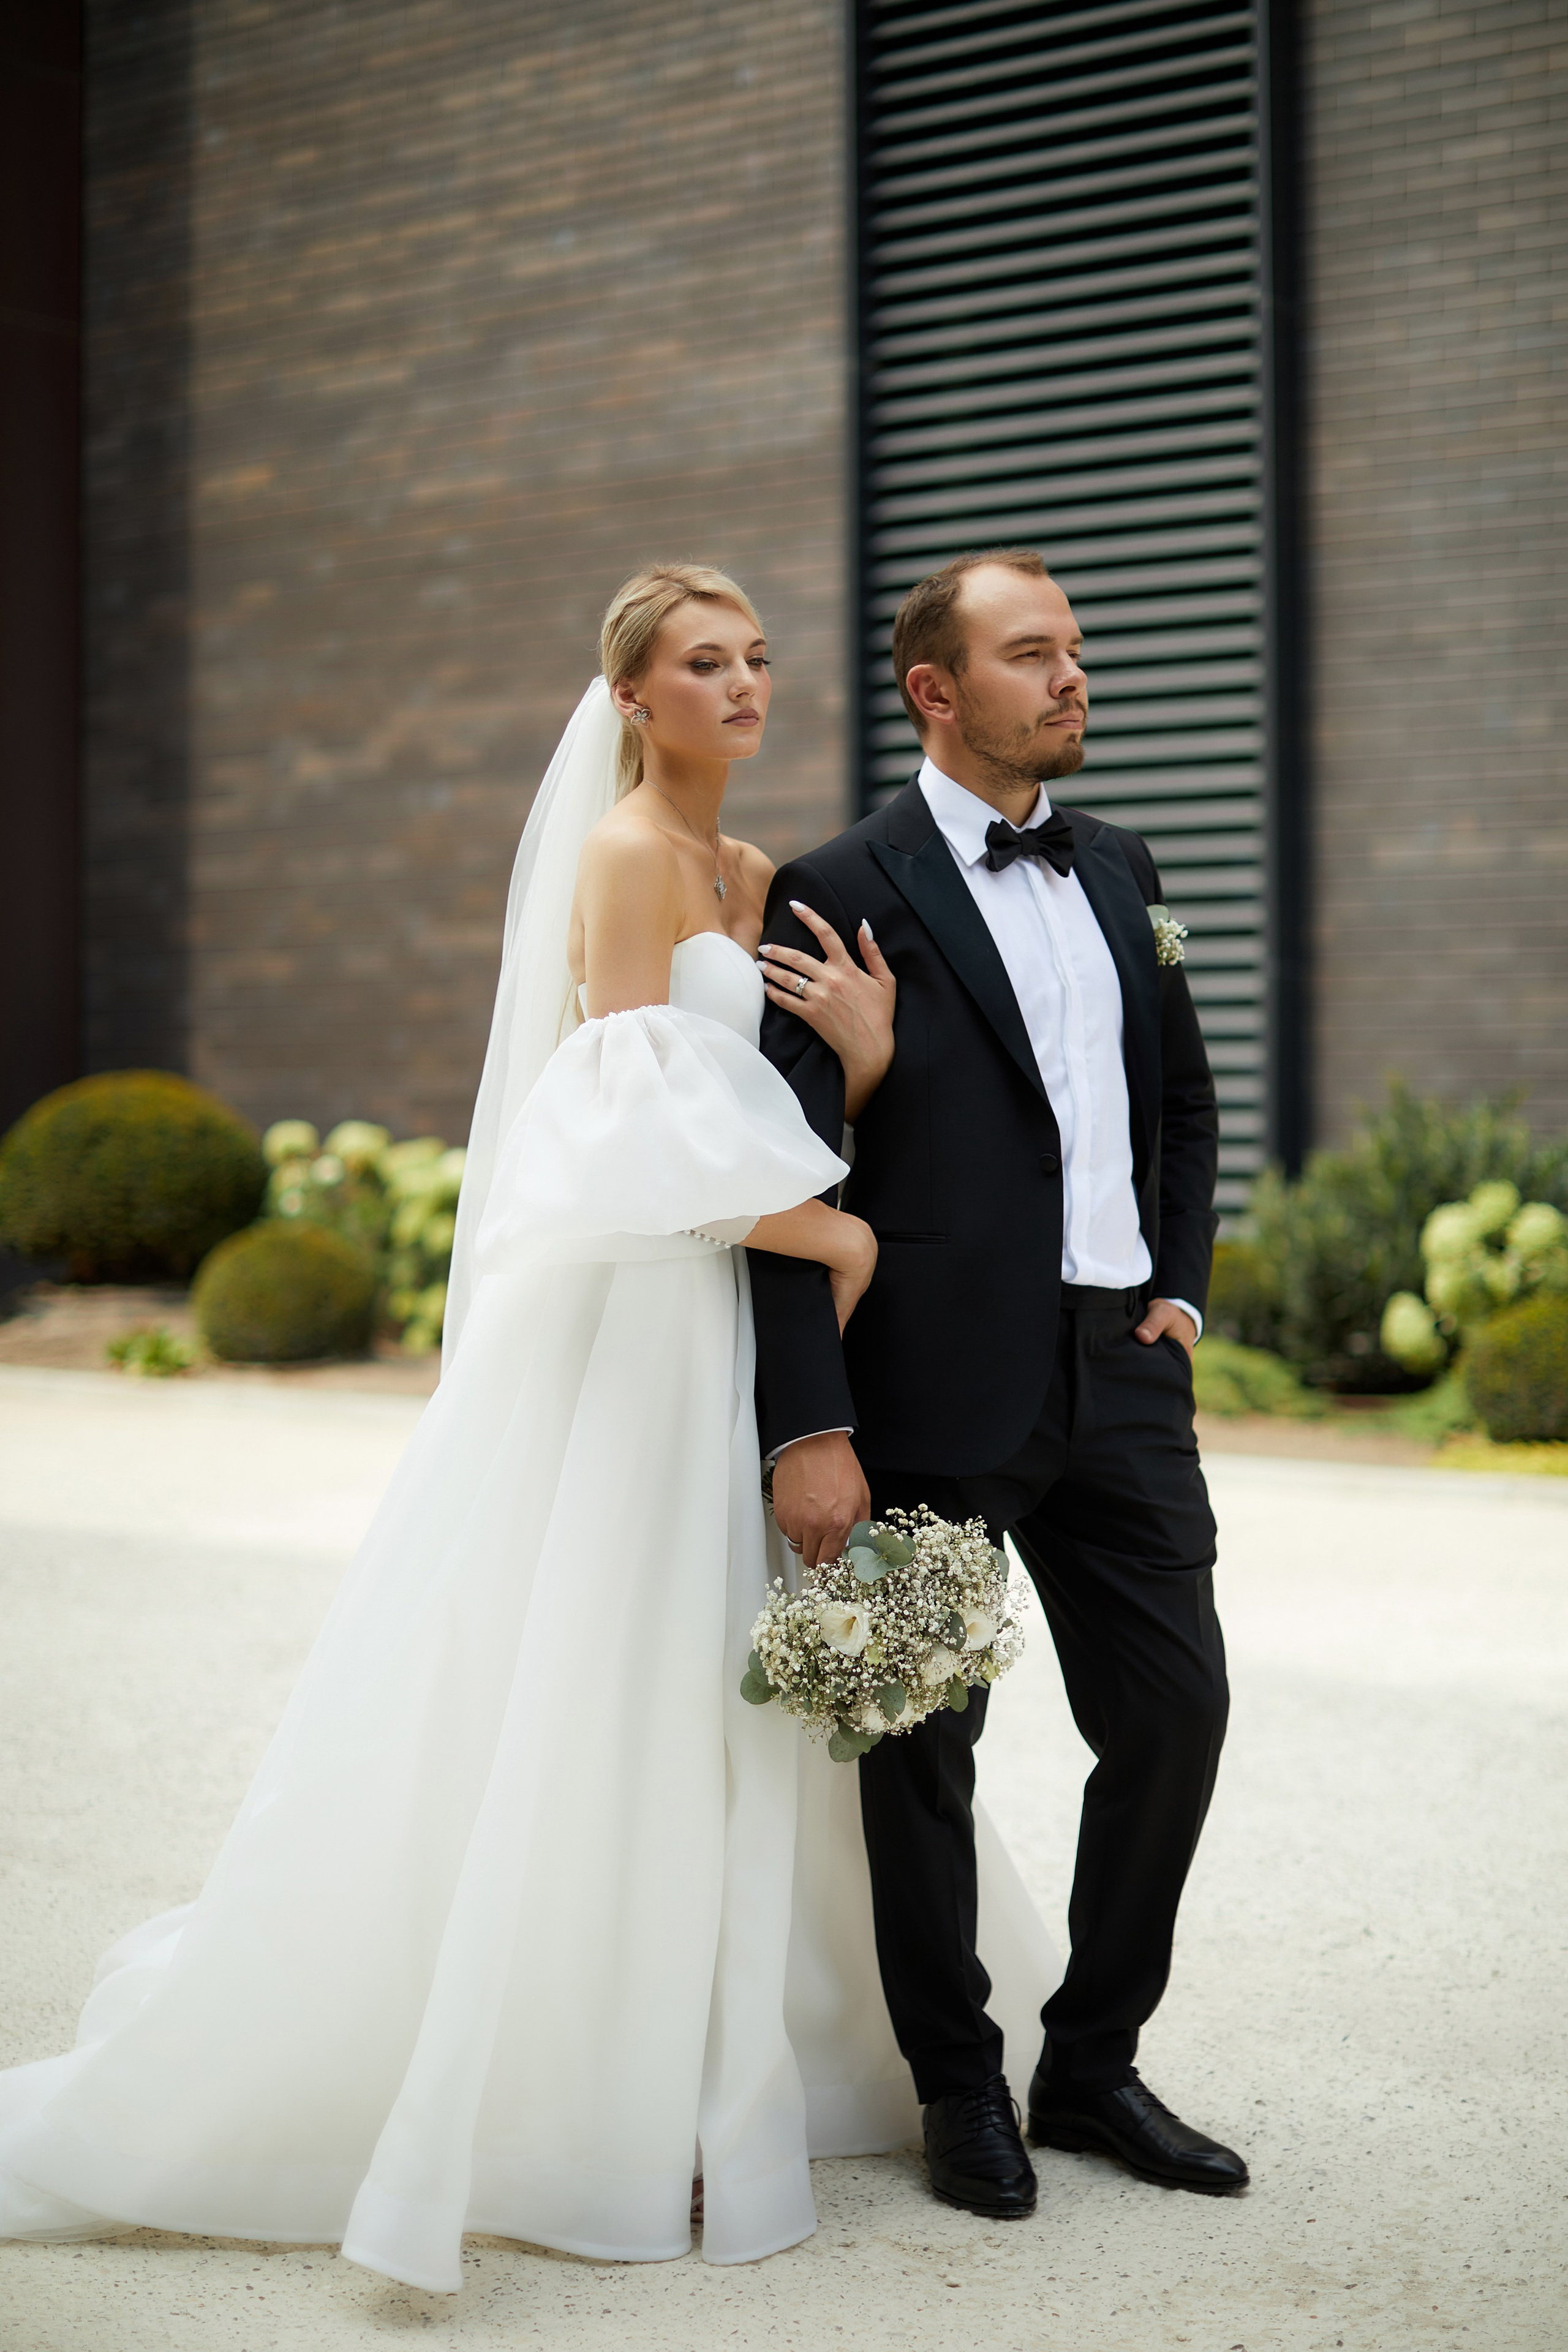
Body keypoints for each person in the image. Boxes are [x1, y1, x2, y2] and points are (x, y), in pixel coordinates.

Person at [0, 564, 1056, 2293]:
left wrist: (861, 1074)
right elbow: (616, 1139)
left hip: (733, 1322)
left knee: (732, 1675)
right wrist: (832, 1235)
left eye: (757, 658)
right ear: (631, 698)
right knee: (614, 1670)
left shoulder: (758, 874)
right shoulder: (627, 857)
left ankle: (740, 2060)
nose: (744, 684)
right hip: (641, 1323)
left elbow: (764, 1107)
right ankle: (583, 2087)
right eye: (703, 663)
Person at [750, 546, 1248, 2220]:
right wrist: (809, 1422)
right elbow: (778, 1177)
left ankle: (1091, 2064)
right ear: (936, 691)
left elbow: (1184, 1103)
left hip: (1123, 1378)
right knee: (919, 1751)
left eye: (1073, 650)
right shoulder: (837, 887)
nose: (1072, 677)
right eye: (1032, 654)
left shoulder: (1124, 864)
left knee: (1176, 1711)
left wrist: (1177, 1292)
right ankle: (956, 2086)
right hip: (924, 1389)